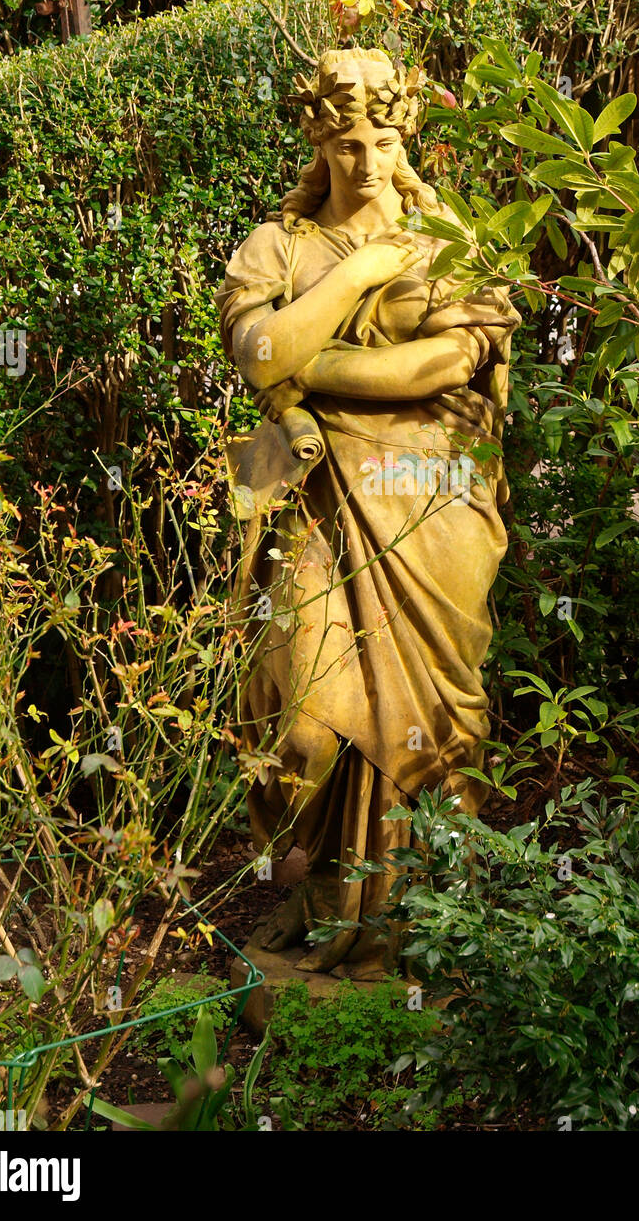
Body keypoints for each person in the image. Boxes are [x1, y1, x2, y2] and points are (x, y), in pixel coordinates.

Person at [214, 47, 519, 977]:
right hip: (314, 499)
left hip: (433, 508)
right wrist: (355, 277)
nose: (368, 160)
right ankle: (326, 897)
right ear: (319, 141)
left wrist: (313, 372)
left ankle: (422, 929)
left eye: (383, 138)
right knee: (304, 722)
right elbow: (259, 352)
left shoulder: (450, 239)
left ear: (405, 135)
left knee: (432, 727)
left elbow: (441, 367)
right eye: (347, 142)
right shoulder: (279, 248)